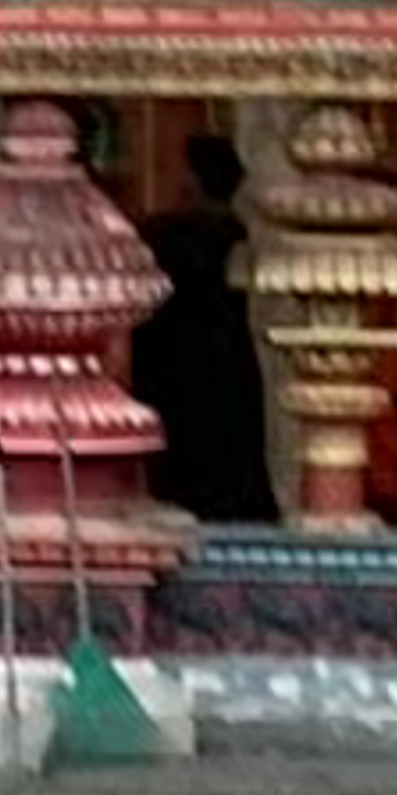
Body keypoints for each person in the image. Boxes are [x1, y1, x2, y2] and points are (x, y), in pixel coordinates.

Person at [133, 127, 275, 520]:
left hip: (180, 373)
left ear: (190, 183)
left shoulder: (173, 238)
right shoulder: (230, 235)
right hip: (225, 366)